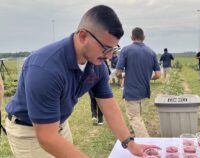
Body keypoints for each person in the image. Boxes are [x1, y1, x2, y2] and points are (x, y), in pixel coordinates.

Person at [5, 5, 157, 158]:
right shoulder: (45, 68)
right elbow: (47, 138)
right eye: (105, 48)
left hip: (59, 125)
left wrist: (129, 143)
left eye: (113, 49)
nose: (110, 56)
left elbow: (109, 107)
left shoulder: (96, 65)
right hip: (29, 131)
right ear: (83, 36)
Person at [116, 27, 161, 137]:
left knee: (134, 118)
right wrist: (147, 78)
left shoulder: (125, 50)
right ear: (143, 37)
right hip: (144, 91)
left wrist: (124, 76)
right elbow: (158, 75)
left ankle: (146, 141)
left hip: (131, 92)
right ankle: (138, 135)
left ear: (132, 37)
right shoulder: (151, 52)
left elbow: (118, 73)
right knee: (138, 116)